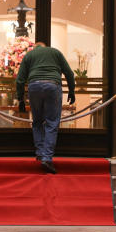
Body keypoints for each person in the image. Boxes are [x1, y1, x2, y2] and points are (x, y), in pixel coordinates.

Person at [16, 41, 76, 173]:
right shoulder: (55, 52)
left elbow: (20, 79)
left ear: (35, 47)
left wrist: (20, 99)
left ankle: (39, 153)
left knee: (37, 121)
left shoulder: (29, 55)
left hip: (34, 86)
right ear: (44, 47)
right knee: (52, 122)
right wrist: (72, 91)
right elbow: (69, 73)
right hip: (52, 85)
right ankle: (47, 157)